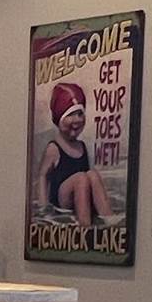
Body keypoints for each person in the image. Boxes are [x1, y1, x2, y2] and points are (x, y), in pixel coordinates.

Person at [37, 79, 107, 227]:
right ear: (59, 119)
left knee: (92, 174)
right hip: (63, 198)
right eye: (70, 115)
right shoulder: (54, 148)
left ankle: (108, 218)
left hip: (81, 193)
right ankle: (85, 225)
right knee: (81, 178)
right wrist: (43, 206)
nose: (77, 120)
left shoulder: (82, 146)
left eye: (80, 114)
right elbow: (43, 176)